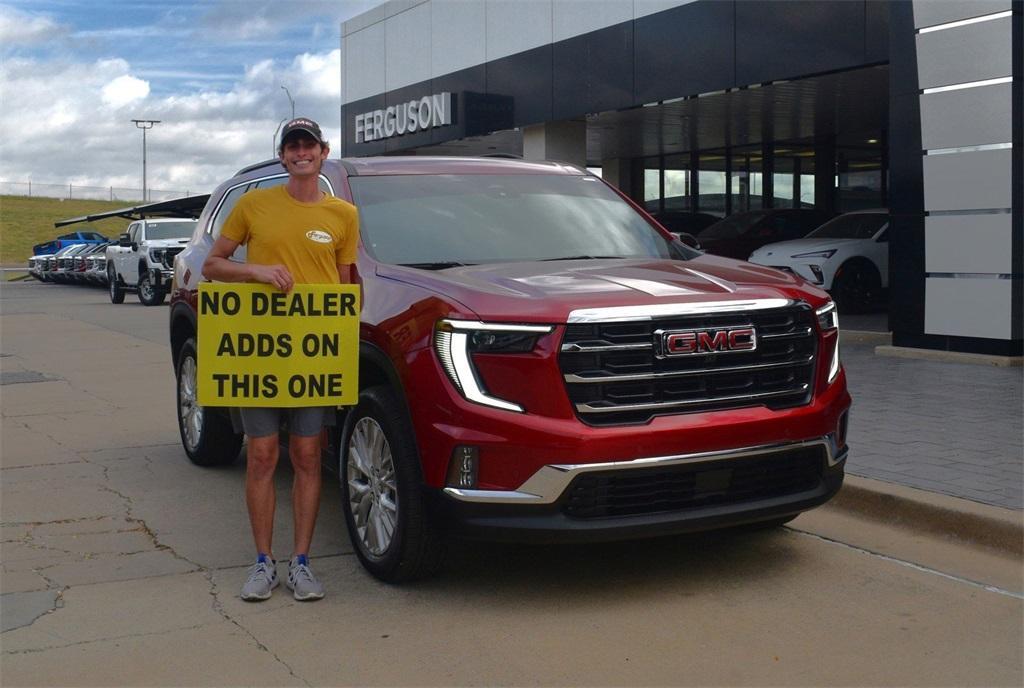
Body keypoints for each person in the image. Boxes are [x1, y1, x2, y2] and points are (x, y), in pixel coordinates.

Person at [202, 117, 359, 601]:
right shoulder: (253, 205)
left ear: (323, 152)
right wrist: (256, 270)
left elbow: (348, 281)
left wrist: (346, 345)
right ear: (283, 156)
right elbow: (212, 265)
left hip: (314, 354)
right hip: (260, 351)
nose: (300, 153)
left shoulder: (343, 215)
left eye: (308, 145)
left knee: (309, 454)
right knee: (263, 455)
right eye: (292, 147)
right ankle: (264, 562)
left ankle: (303, 562)